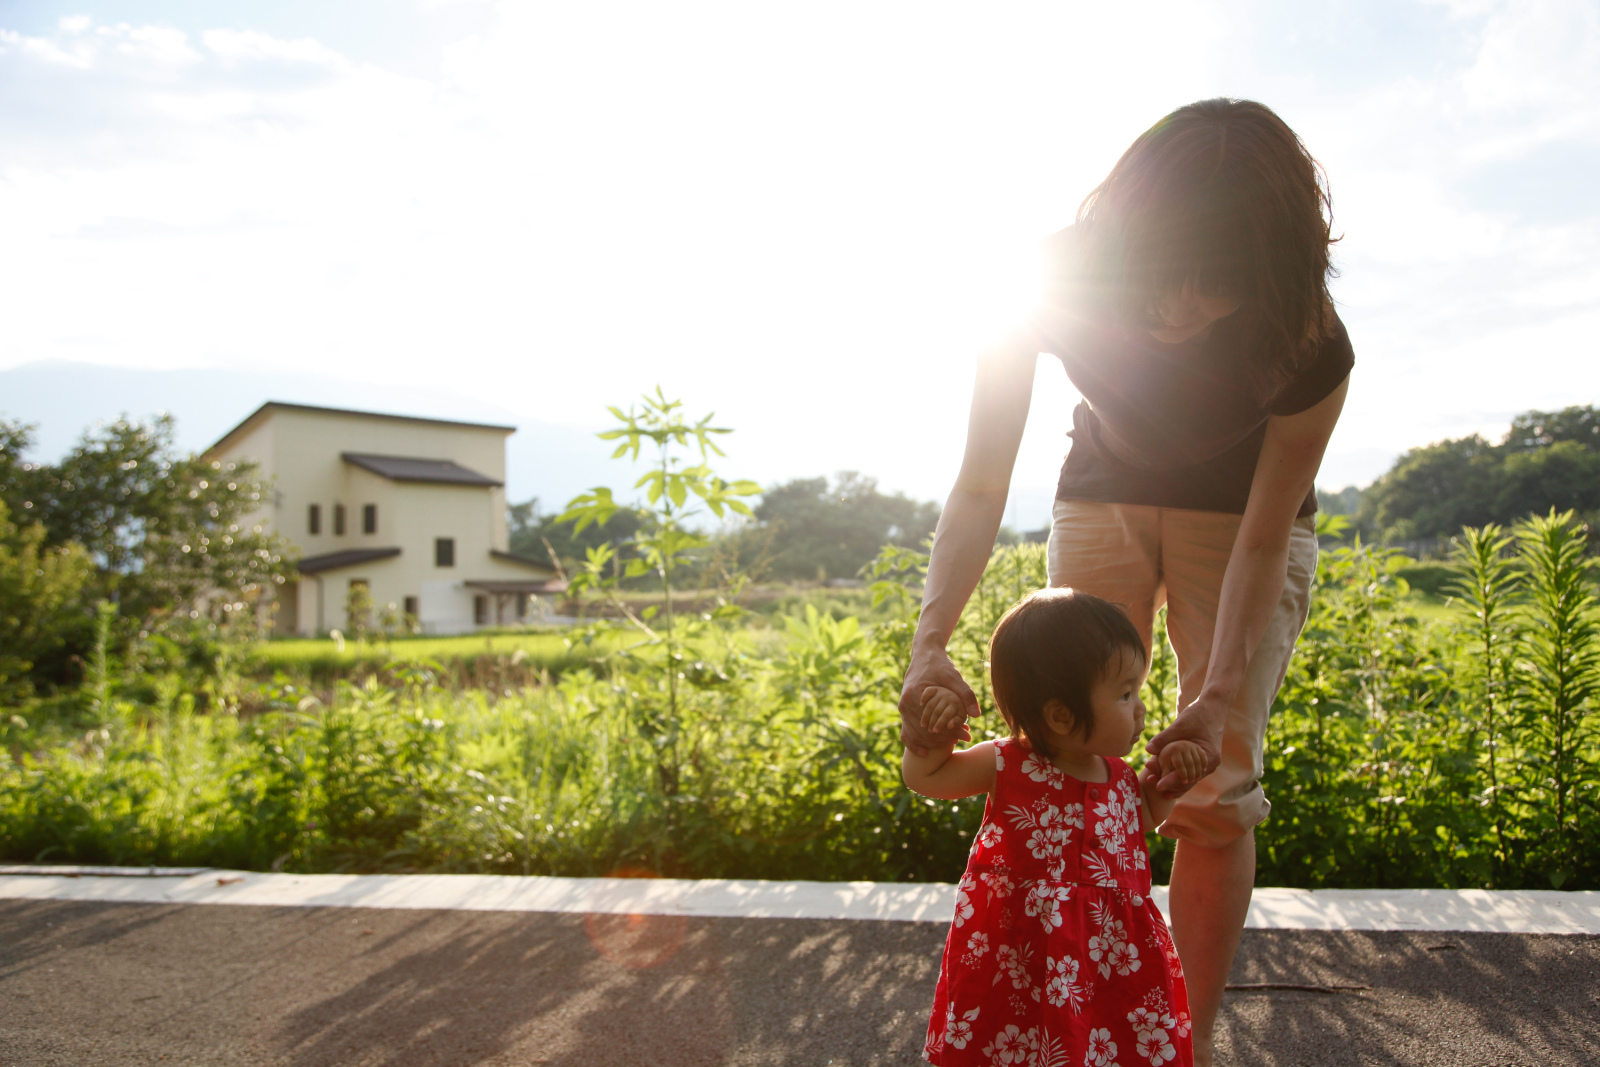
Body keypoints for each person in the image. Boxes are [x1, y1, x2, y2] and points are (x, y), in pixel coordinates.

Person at [899, 98, 1351, 1066]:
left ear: (1268, 273)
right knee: (1071, 744)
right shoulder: (1050, 277)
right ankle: (1072, 1026)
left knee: (1216, 779)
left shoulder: (1310, 338)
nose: (1181, 308)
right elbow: (982, 478)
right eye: (1161, 278)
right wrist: (929, 642)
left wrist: (1216, 692)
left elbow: (1266, 541)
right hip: (1102, 490)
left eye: (1217, 285)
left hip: (1240, 525)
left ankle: (1173, 1040)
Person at [904, 588, 1205, 1067]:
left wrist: (1170, 782)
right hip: (1020, 956)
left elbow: (1138, 822)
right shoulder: (1006, 762)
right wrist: (935, 731)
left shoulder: (1121, 775)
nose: (1140, 709)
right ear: (1060, 716)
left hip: (1108, 957)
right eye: (1126, 694)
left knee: (1102, 1043)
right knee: (1014, 1044)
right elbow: (927, 776)